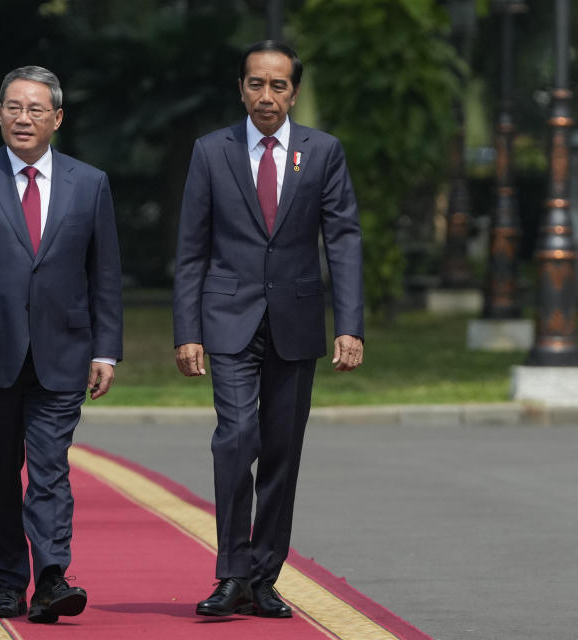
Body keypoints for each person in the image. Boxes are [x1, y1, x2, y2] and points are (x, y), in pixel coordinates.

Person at [173, 41, 364, 619]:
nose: (267, 95)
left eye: (279, 86)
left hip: (297, 320)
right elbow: (190, 250)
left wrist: (349, 325)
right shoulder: (211, 152)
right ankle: (230, 572)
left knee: (282, 450)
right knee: (235, 438)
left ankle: (263, 577)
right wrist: (188, 330)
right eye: (257, 84)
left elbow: (344, 240)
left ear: (294, 93)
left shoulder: (323, 152)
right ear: (241, 89)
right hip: (228, 320)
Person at [0, 65, 123, 622]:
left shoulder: (90, 183)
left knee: (49, 468)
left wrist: (105, 348)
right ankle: (7, 581)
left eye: (36, 109)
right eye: (13, 107)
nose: (23, 118)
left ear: (57, 118)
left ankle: (53, 577)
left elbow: (104, 272)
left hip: (63, 350)